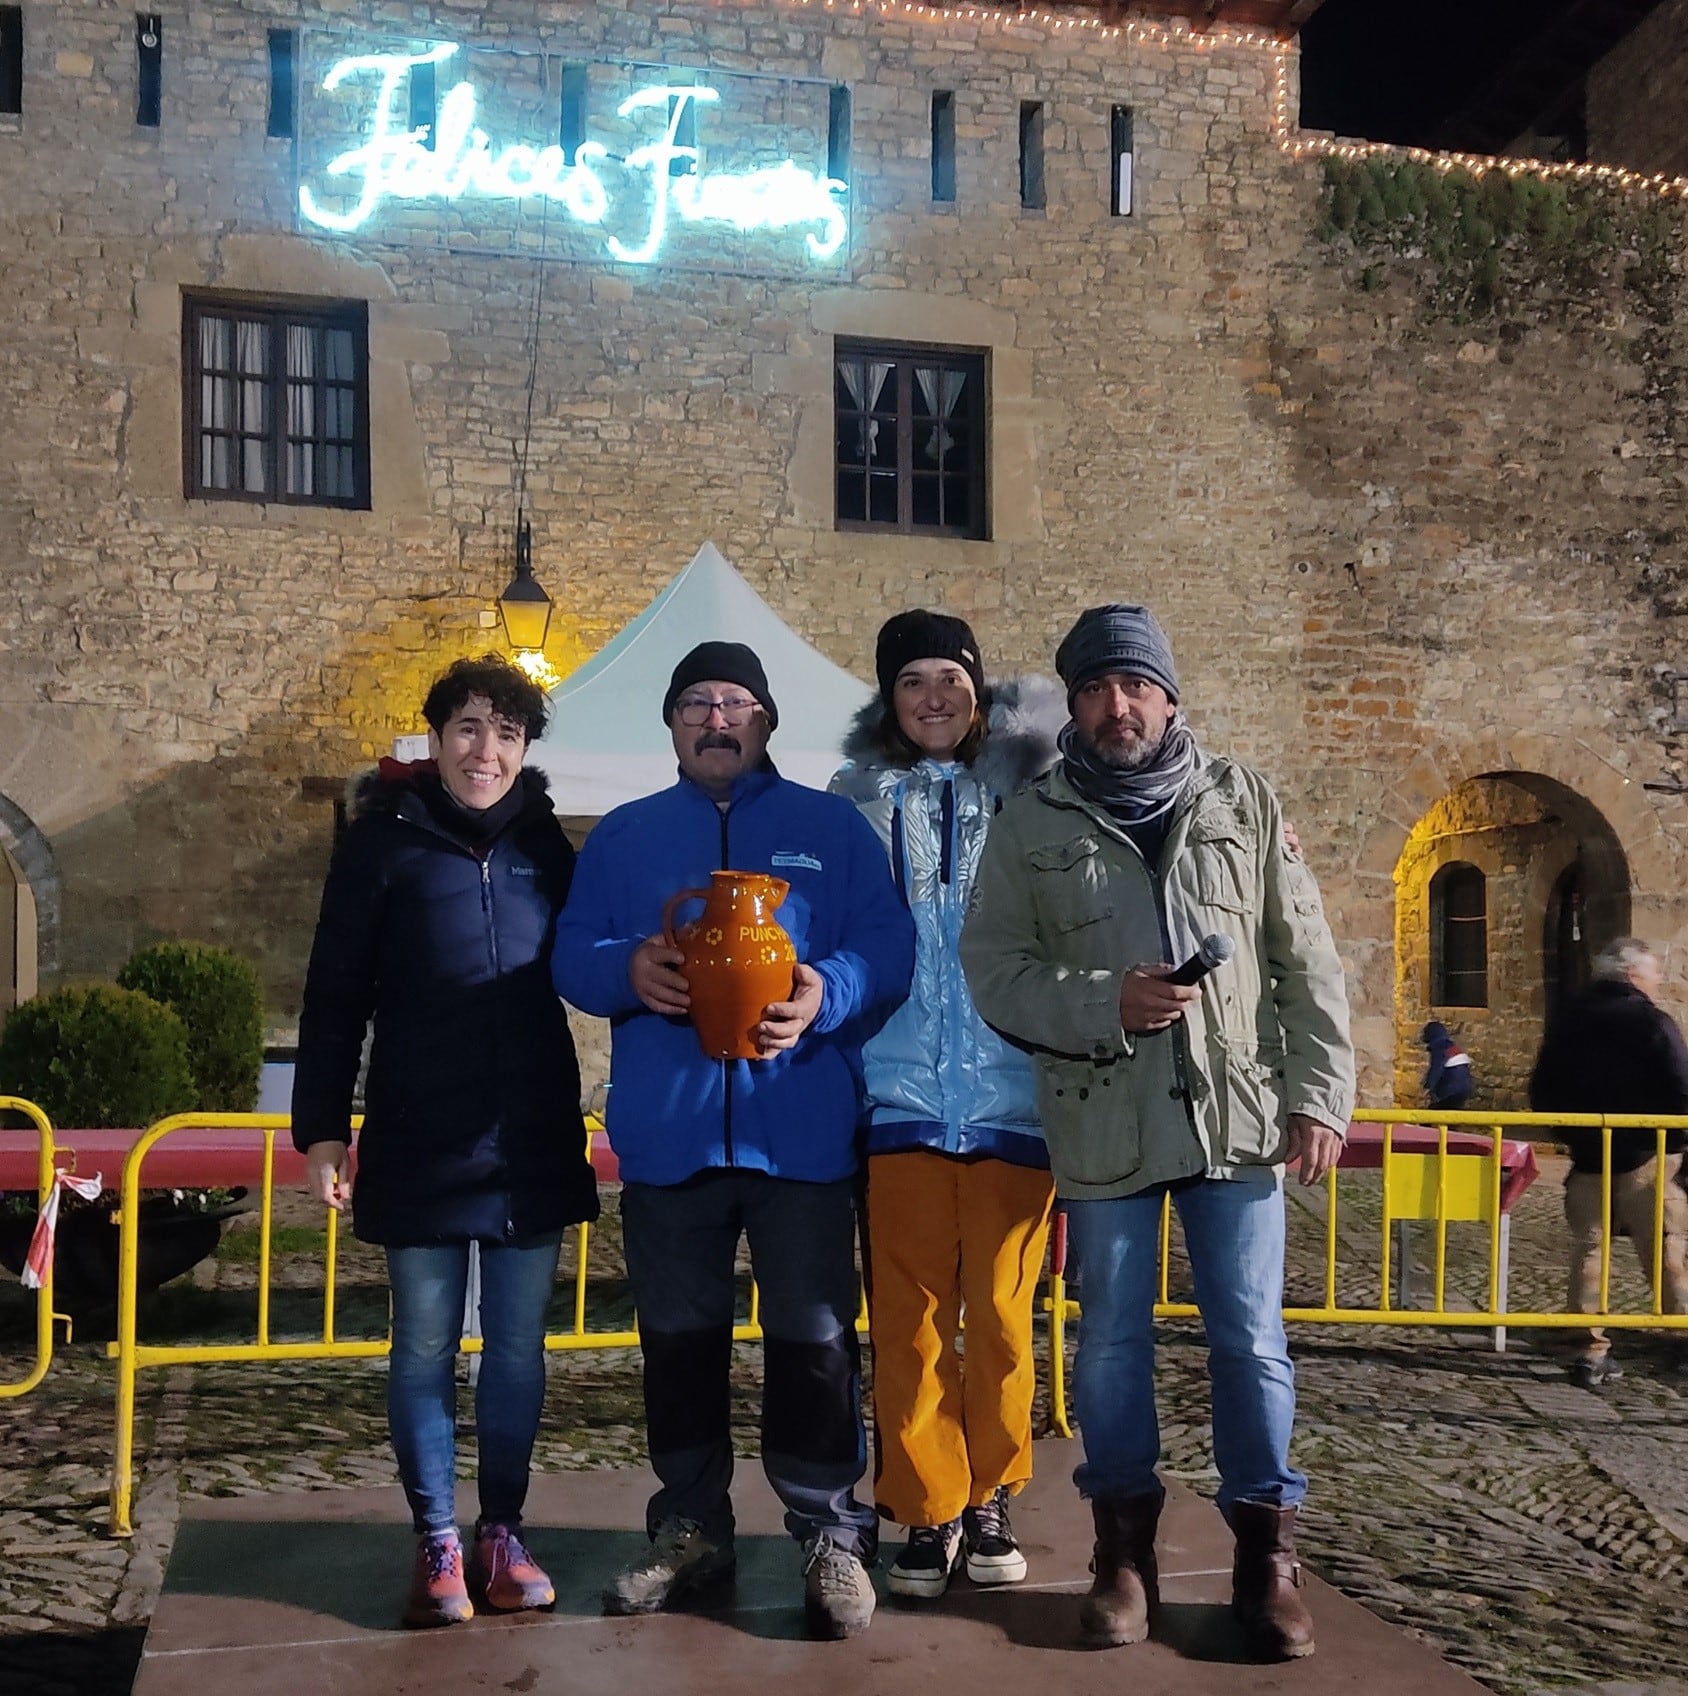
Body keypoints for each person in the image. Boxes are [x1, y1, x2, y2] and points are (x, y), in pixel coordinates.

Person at [959, 604, 1354, 1662]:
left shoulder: (1243, 801)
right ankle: (1119, 1556)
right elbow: (994, 968)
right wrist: (1103, 1001)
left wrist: (1320, 1093)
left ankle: (1263, 1558)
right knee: (1111, 1352)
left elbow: (1303, 956)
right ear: (1075, 708)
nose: (1115, 705)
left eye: (1134, 684)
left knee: (1249, 1343)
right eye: (1093, 688)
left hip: (1235, 1118)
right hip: (1102, 1118)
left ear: (1169, 697)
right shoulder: (1033, 821)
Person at [552, 640, 914, 1641]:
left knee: (813, 1345)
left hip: (797, 1134)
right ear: (671, 722)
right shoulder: (624, 838)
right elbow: (572, 954)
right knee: (675, 1346)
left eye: (736, 702)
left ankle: (831, 1534)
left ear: (765, 721)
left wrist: (826, 990)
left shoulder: (827, 830)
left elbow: (888, 949)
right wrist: (628, 968)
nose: (717, 717)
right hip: (668, 1141)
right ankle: (689, 1526)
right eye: (697, 702)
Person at [292, 655, 598, 1629]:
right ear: (434, 736)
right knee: (424, 1341)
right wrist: (322, 1130)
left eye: (506, 732)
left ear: (524, 748)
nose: (486, 749)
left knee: (514, 1348)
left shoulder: (547, 845)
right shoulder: (382, 842)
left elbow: (596, 959)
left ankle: (500, 1528)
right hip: (422, 1127)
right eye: (468, 727)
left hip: (530, 1130)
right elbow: (334, 993)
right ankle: (435, 1536)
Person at [829, 611, 1063, 1600]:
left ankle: (990, 1491)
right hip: (898, 1099)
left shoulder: (1038, 794)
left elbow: (1145, 784)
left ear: (979, 693)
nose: (933, 695)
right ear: (889, 697)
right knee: (910, 1320)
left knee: (1004, 1318)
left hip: (1013, 1098)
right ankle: (923, 1506)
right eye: (913, 679)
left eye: (950, 678)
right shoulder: (849, 802)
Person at [1528, 937, 1688, 1390]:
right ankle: (1683, 1333)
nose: (1659, 981)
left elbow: (1543, 1091)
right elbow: (1682, 1085)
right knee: (1664, 1248)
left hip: (1589, 1158)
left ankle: (1589, 1347)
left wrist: (1573, 1140)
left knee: (1589, 1251)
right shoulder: (1652, 1022)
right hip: (1646, 1155)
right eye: (1656, 972)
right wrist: (1674, 1145)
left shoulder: (1569, 1021)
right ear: (1635, 974)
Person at [1420, 1020, 1474, 1112]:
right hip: (1464, 1089)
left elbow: (1436, 1069)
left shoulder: (1439, 1047)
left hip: (1451, 1089)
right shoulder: (1451, 1046)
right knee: (1452, 1114)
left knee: (1432, 1113)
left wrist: (1428, 1086)